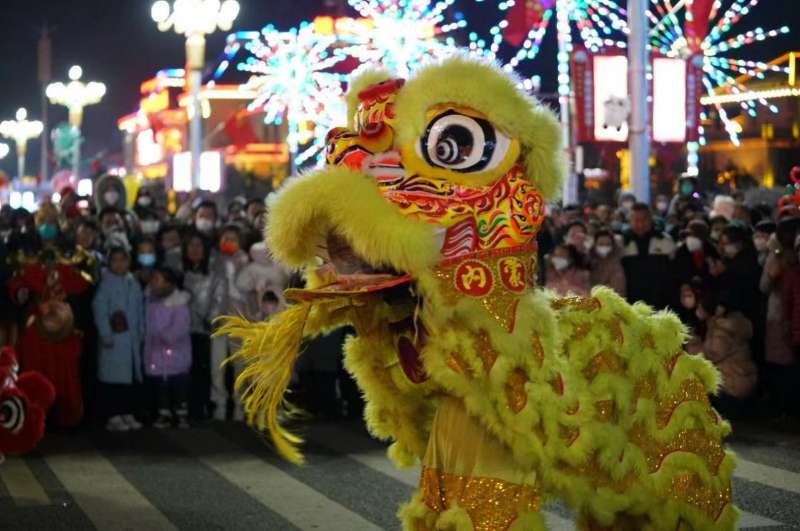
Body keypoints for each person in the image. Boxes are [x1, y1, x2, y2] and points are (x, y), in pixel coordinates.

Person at [92, 247, 145, 432]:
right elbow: (99, 310)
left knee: (127, 379)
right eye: (115, 260)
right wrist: (105, 333)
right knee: (113, 380)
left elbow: (139, 309)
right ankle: (113, 414)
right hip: (114, 340)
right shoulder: (106, 284)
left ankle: (126, 411)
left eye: (123, 259)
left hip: (131, 339)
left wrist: (141, 331)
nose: (119, 264)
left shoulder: (133, 283)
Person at [688, 292, 757, 420]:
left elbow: (707, 357)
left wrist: (692, 340)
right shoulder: (726, 322)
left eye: (700, 307)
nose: (697, 310)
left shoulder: (723, 328)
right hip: (739, 381)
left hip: (732, 387)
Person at [182, 231, 226, 419]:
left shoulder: (215, 275)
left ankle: (201, 406)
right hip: (180, 331)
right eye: (191, 245)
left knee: (202, 368)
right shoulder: (179, 273)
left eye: (199, 245)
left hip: (202, 329)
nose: (194, 249)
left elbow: (219, 299)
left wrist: (210, 319)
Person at [144, 266, 193, 429]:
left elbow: (181, 325)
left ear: (168, 283)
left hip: (176, 353)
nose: (153, 283)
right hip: (156, 352)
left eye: (157, 279)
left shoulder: (178, 304)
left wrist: (167, 335)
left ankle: (181, 413)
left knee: (179, 386)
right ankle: (163, 414)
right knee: (161, 387)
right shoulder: (150, 302)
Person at [211, 224, 249, 420]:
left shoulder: (247, 261)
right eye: (226, 238)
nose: (229, 242)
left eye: (233, 239)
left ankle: (239, 405)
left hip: (239, 318)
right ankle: (219, 402)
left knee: (239, 365)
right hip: (219, 318)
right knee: (217, 365)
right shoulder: (214, 261)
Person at [620, 203, 676, 309]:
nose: (640, 224)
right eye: (636, 220)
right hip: (630, 304)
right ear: (629, 220)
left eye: (644, 219)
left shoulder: (666, 242)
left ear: (651, 218)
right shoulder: (621, 244)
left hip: (661, 303)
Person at [236, 241, 290, 322]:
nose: (264, 256)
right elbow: (240, 284)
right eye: (260, 254)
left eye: (266, 253)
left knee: (279, 316)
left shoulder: (277, 265)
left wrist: (268, 280)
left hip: (279, 299)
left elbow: (284, 279)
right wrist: (253, 284)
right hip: (260, 300)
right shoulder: (252, 268)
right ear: (254, 255)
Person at [672, 220, 717, 296]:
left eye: (692, 235)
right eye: (687, 236)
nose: (689, 239)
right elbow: (677, 272)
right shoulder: (681, 251)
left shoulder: (712, 251)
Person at [588, 229, 626, 296]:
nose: (604, 247)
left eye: (608, 245)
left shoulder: (617, 263)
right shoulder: (588, 261)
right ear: (595, 244)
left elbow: (618, 289)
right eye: (601, 244)